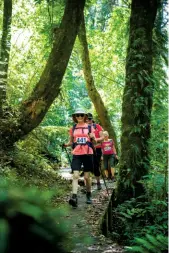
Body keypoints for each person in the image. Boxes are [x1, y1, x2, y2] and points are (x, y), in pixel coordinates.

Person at [63, 108, 97, 208]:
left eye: (82, 115)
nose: (79, 117)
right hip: (77, 153)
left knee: (87, 177)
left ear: (85, 116)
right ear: (75, 117)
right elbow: (71, 142)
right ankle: (74, 197)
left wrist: (92, 137)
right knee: (75, 175)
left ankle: (89, 194)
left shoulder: (90, 128)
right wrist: (66, 145)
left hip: (87, 153)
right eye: (77, 115)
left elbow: (94, 142)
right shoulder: (73, 128)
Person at [87, 113, 104, 190]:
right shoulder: (83, 127)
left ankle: (98, 182)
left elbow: (102, 138)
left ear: (92, 119)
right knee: (87, 166)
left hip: (97, 149)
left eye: (90, 119)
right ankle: (87, 185)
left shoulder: (97, 126)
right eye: (86, 119)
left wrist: (95, 140)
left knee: (96, 166)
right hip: (86, 149)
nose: (88, 120)